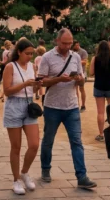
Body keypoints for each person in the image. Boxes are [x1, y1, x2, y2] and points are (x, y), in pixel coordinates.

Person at [39, 29, 96, 189]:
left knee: (77, 141)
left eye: (70, 43)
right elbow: (41, 82)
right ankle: (45, 169)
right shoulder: (47, 57)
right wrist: (58, 79)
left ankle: (82, 176)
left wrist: (79, 79)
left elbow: (82, 81)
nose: (67, 46)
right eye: (64, 43)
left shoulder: (76, 57)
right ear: (57, 41)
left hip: (72, 107)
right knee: (48, 140)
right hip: (52, 106)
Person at [0, 37, 40, 195]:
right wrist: (25, 84)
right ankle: (16, 179)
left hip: (29, 105)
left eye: (31, 53)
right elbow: (7, 91)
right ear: (19, 52)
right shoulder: (10, 66)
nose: (30, 56)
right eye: (27, 53)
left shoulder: (32, 66)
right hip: (14, 105)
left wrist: (36, 86)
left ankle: (24, 172)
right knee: (16, 146)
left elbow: (32, 90)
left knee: (34, 144)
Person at [89, 40, 110, 142]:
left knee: (100, 112)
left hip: (99, 86)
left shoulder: (95, 59)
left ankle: (101, 134)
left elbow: (91, 72)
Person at [73, 39, 89, 111]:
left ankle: (83, 105)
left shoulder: (83, 51)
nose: (77, 46)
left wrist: (75, 61)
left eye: (77, 45)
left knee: (81, 88)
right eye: (75, 45)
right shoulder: (71, 51)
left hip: (82, 72)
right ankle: (77, 105)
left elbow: (85, 62)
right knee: (75, 89)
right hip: (74, 72)